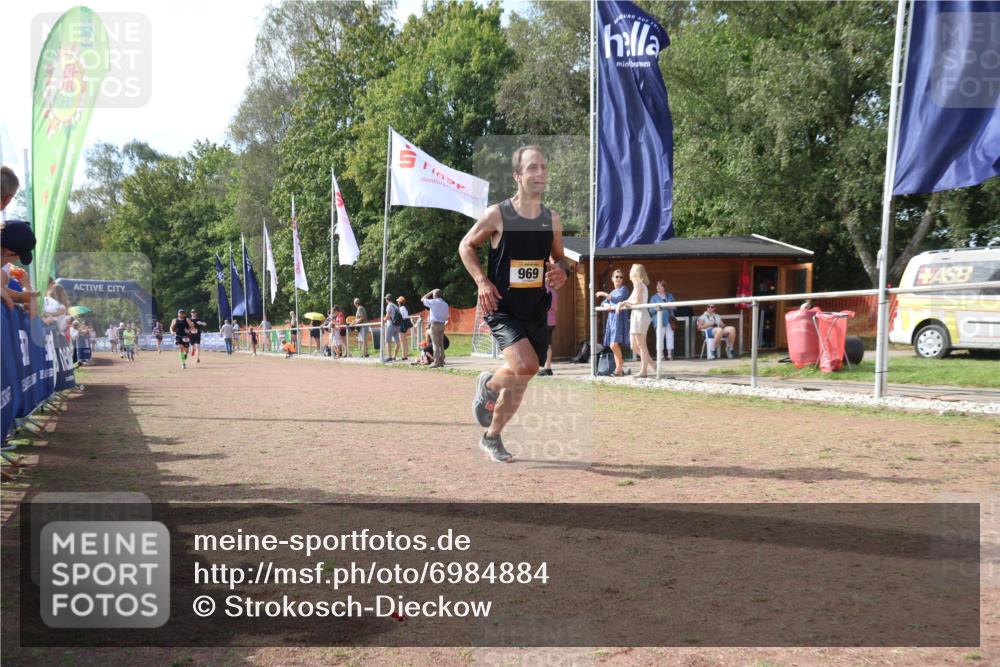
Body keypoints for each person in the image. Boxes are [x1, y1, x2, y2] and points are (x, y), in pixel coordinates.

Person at [459, 145, 569, 463]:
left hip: (535, 308)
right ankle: (491, 387)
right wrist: (482, 280)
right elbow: (466, 245)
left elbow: (560, 258)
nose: (540, 174)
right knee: (527, 366)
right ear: (517, 176)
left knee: (520, 381)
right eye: (533, 168)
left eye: (544, 168)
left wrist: (560, 271)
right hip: (502, 308)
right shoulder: (498, 214)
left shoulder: (552, 219)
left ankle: (491, 436)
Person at [619, 263, 652, 378]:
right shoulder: (637, 285)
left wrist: (623, 303)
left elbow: (638, 301)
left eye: (631, 270)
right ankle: (653, 365)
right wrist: (622, 304)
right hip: (636, 315)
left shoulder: (638, 284)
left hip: (640, 315)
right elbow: (631, 301)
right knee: (633, 346)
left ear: (636, 273)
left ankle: (643, 371)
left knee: (641, 345)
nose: (629, 272)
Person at [596, 269, 629, 376]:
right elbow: (603, 303)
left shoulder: (624, 289)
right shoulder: (612, 292)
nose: (619, 279)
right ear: (612, 279)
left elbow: (617, 299)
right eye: (617, 277)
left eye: (621, 277)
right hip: (611, 320)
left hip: (620, 320)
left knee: (614, 344)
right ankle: (618, 370)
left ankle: (620, 364)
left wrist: (603, 294)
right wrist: (606, 305)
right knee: (613, 346)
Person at [421, 289, 450, 368]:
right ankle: (442, 361)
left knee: (435, 344)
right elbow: (447, 316)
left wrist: (430, 292)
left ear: (434, 295)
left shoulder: (433, 302)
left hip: (435, 324)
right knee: (441, 343)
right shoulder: (445, 304)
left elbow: (422, 299)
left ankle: (436, 362)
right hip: (442, 324)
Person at [648, 280, 676, 361]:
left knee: (670, 336)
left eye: (660, 286)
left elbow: (675, 306)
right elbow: (650, 310)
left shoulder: (669, 295)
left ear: (664, 287)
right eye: (657, 286)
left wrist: (671, 306)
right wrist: (657, 308)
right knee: (659, 337)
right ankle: (661, 355)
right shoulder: (654, 297)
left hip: (669, 320)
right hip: (659, 320)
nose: (658, 287)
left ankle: (670, 354)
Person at [538, 284, 558, 376]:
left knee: (543, 345)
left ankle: (546, 368)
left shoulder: (543, 290)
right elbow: (555, 307)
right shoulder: (554, 292)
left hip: (544, 321)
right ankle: (548, 367)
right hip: (552, 321)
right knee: (548, 344)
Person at [382, 294, 404, 362]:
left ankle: (389, 357)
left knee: (387, 341)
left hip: (391, 325)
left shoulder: (389, 306)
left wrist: (384, 319)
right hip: (397, 325)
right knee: (397, 341)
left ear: (387, 299)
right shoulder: (396, 306)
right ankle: (394, 356)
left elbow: (388, 316)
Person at [397, 296, 410, 361]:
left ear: (399, 302)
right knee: (404, 340)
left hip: (402, 323)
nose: (397, 302)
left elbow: (400, 317)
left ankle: (404, 356)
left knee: (402, 340)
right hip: (406, 323)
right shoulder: (405, 307)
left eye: (398, 301)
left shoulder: (401, 308)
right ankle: (406, 355)